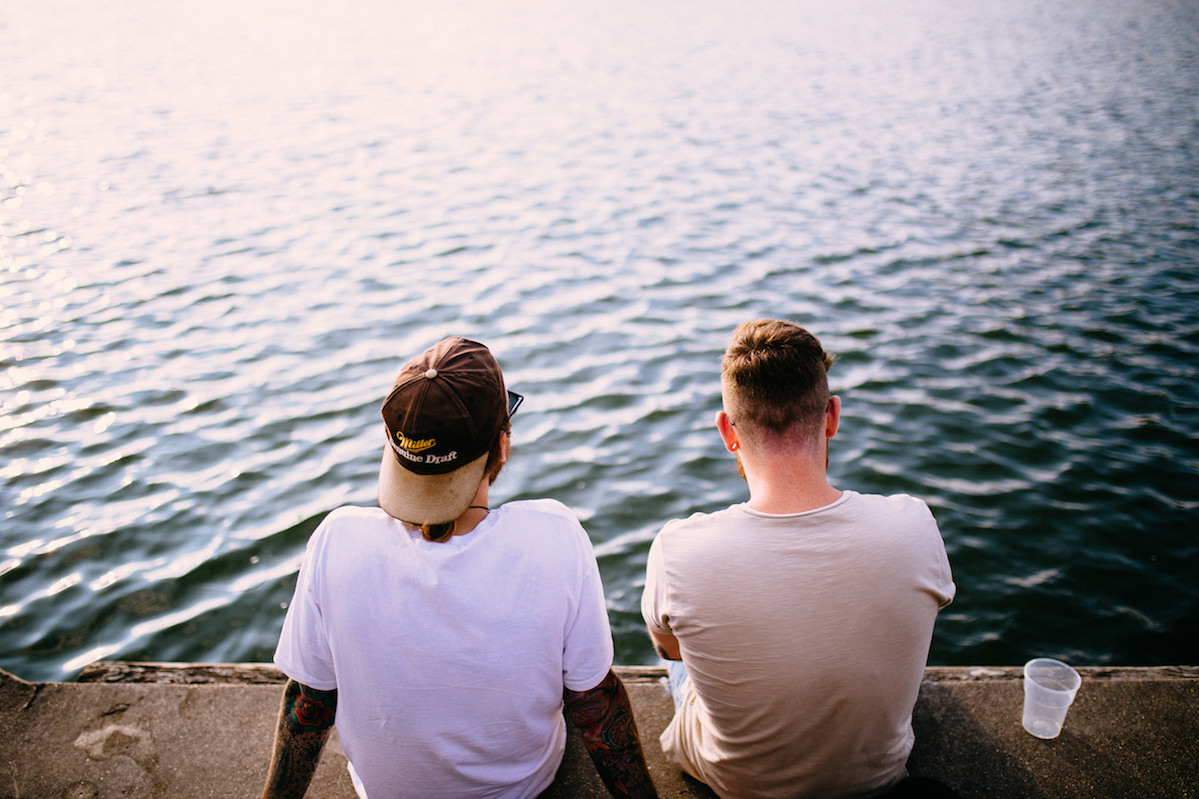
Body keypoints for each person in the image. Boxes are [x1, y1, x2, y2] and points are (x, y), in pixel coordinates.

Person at [262, 336, 658, 799]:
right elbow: (592, 699)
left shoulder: (336, 539)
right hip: (525, 788)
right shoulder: (554, 535)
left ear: (393, 447)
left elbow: (311, 699)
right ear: (503, 445)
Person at [641, 319, 956, 799]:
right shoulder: (913, 523)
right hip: (880, 777)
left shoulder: (678, 547)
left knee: (678, 654)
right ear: (832, 416)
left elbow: (669, 648)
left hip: (737, 785)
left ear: (728, 430)